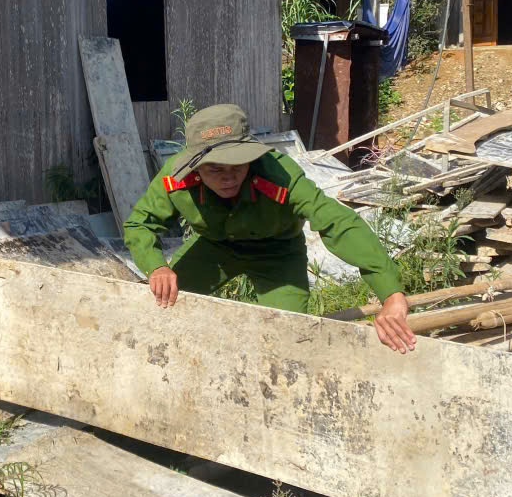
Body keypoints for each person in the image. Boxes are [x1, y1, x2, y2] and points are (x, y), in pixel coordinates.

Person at [123, 103, 416, 353]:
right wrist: (156, 267)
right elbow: (139, 225)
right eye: (215, 169)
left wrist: (391, 294)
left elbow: (337, 222)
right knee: (164, 308)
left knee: (287, 337)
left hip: (278, 253)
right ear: (195, 167)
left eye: (237, 166)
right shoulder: (175, 177)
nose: (229, 178)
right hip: (214, 248)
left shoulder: (279, 174)